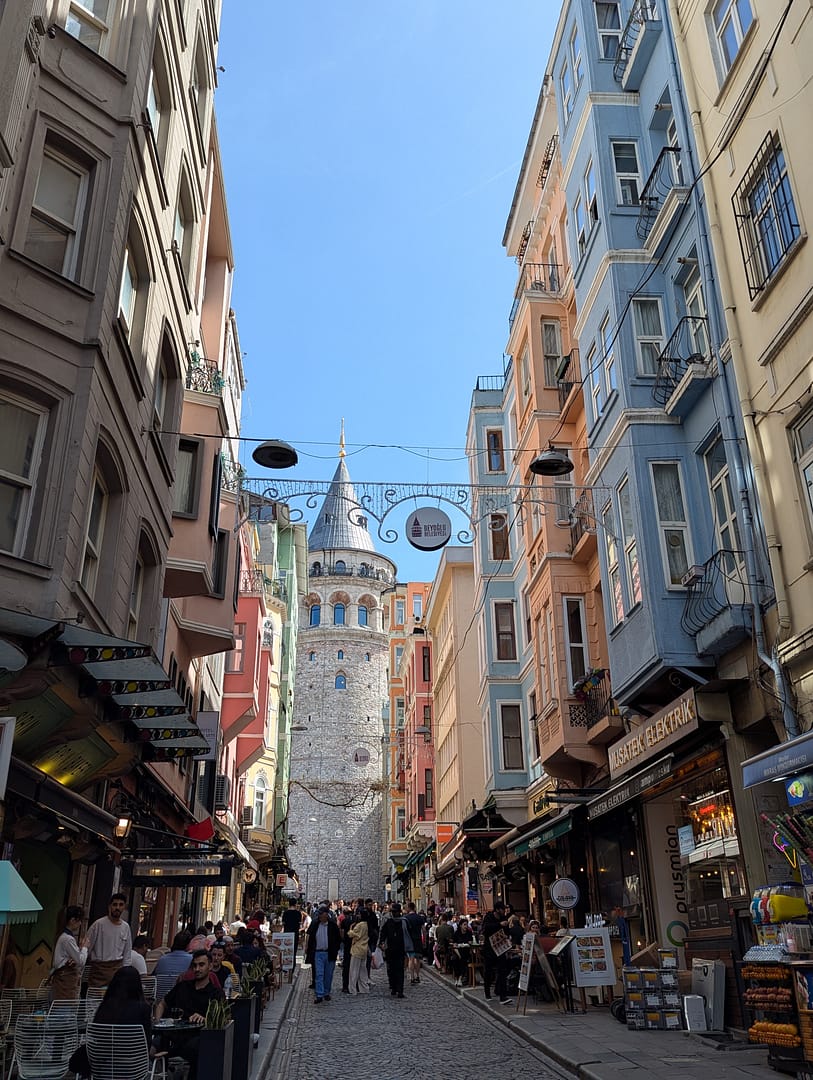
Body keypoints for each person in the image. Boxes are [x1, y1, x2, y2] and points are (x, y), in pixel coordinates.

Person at [155, 951, 223, 1080]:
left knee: (199, 1050)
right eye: (195, 965)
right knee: (148, 1048)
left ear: (210, 966)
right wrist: (158, 1022)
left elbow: (219, 1021)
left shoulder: (215, 994)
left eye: (201, 965)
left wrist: (205, 1019)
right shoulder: (182, 987)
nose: (197, 969)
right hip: (171, 1037)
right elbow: (162, 1003)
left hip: (196, 1039)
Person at [84, 894, 133, 988]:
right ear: (109, 906)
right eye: (115, 904)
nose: (117, 908)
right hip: (98, 973)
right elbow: (86, 949)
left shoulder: (126, 927)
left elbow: (127, 955)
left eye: (120, 905)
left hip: (117, 973)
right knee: (94, 1001)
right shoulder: (98, 925)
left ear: (124, 907)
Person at [94, 965, 151, 1040]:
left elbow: (95, 1032)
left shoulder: (105, 1006)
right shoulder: (143, 1008)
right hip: (134, 1051)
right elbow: (147, 1039)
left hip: (103, 1050)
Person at [305, 906, 341, 1004]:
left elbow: (338, 939)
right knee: (319, 974)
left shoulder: (333, 926)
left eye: (322, 914)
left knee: (328, 974)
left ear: (326, 915)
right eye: (319, 914)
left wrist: (336, 950)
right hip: (318, 953)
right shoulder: (315, 924)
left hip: (329, 953)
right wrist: (307, 947)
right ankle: (319, 994)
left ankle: (326, 992)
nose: (320, 916)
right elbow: (310, 935)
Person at [51, 905, 86, 1000]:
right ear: (72, 920)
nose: (80, 924)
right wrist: (84, 948)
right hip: (64, 982)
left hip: (61, 980)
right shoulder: (68, 939)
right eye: (79, 921)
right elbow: (80, 960)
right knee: (63, 1010)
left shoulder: (62, 936)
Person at [482, 901, 512, 1005]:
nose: (505, 911)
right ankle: (487, 993)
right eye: (503, 909)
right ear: (498, 910)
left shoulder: (504, 918)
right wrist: (499, 924)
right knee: (488, 971)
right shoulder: (489, 917)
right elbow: (485, 929)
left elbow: (507, 932)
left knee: (502, 970)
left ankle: (503, 995)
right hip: (489, 948)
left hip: (500, 948)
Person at [378, 901, 407, 998]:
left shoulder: (403, 922)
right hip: (390, 949)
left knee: (399, 969)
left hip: (400, 949)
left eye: (396, 912)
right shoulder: (389, 922)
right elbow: (383, 933)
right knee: (391, 969)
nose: (394, 914)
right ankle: (394, 987)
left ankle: (400, 990)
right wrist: (381, 942)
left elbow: (408, 935)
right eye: (393, 912)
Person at [346, 910, 370, 995]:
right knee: (362, 971)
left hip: (357, 949)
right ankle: (364, 989)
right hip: (364, 949)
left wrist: (350, 929)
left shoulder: (359, 925)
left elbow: (352, 934)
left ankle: (352, 989)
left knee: (353, 971)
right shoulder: (367, 924)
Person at [403, 901, 425, 985]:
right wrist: (424, 940)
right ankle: (418, 976)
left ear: (409, 908)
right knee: (417, 959)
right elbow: (423, 930)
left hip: (409, 940)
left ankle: (412, 977)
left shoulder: (406, 918)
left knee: (411, 959)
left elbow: (404, 931)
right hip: (418, 940)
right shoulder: (419, 918)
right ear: (414, 908)